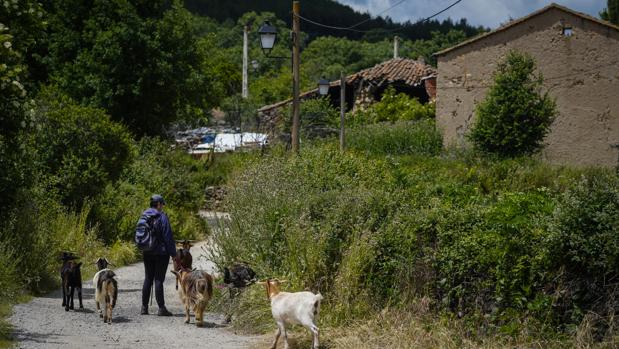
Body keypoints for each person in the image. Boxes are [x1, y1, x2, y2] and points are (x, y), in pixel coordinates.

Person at [140, 194, 177, 316]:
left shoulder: (144, 216)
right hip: (161, 253)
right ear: (159, 204)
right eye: (162, 204)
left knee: (148, 278)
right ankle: (161, 308)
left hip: (147, 252)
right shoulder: (162, 217)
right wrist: (174, 254)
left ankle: (144, 308)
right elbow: (168, 237)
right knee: (159, 279)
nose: (162, 207)